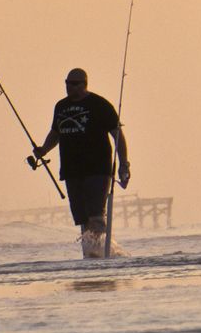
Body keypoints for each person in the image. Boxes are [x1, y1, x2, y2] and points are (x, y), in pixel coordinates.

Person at [33, 68, 130, 258]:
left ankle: (102, 254)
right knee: (82, 219)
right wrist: (43, 149)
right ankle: (91, 256)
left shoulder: (100, 104)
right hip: (71, 171)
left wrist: (124, 164)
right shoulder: (61, 106)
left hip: (98, 169)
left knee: (95, 215)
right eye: (67, 83)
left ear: (85, 84)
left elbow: (118, 135)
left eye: (74, 83)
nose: (70, 87)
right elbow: (56, 133)